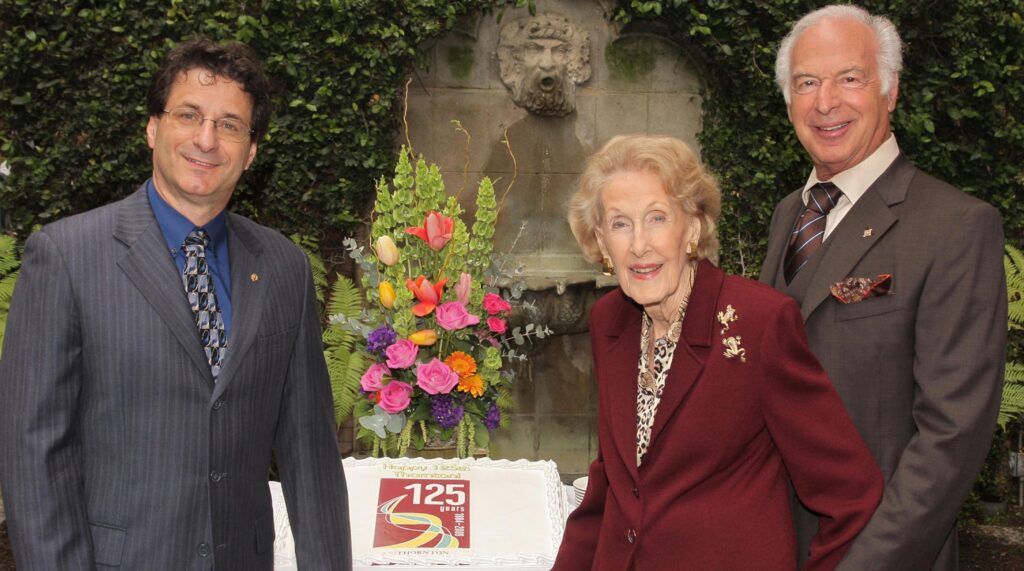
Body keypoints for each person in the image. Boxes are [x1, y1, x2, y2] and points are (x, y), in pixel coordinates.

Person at [0, 37, 351, 569]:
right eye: (189, 115)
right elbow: (34, 455)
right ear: (153, 128)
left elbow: (310, 453)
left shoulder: (283, 267)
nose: (206, 140)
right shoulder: (66, 257)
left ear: (251, 151)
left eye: (229, 125)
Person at [553, 135, 883, 570]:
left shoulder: (758, 322)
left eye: (656, 218)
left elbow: (851, 492)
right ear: (600, 240)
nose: (638, 245)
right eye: (619, 224)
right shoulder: (609, 321)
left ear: (692, 226)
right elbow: (612, 484)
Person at [761, 5, 1007, 570]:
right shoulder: (787, 217)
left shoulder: (954, 225)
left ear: (891, 91)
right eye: (806, 83)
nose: (826, 101)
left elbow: (952, 435)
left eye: (850, 78)